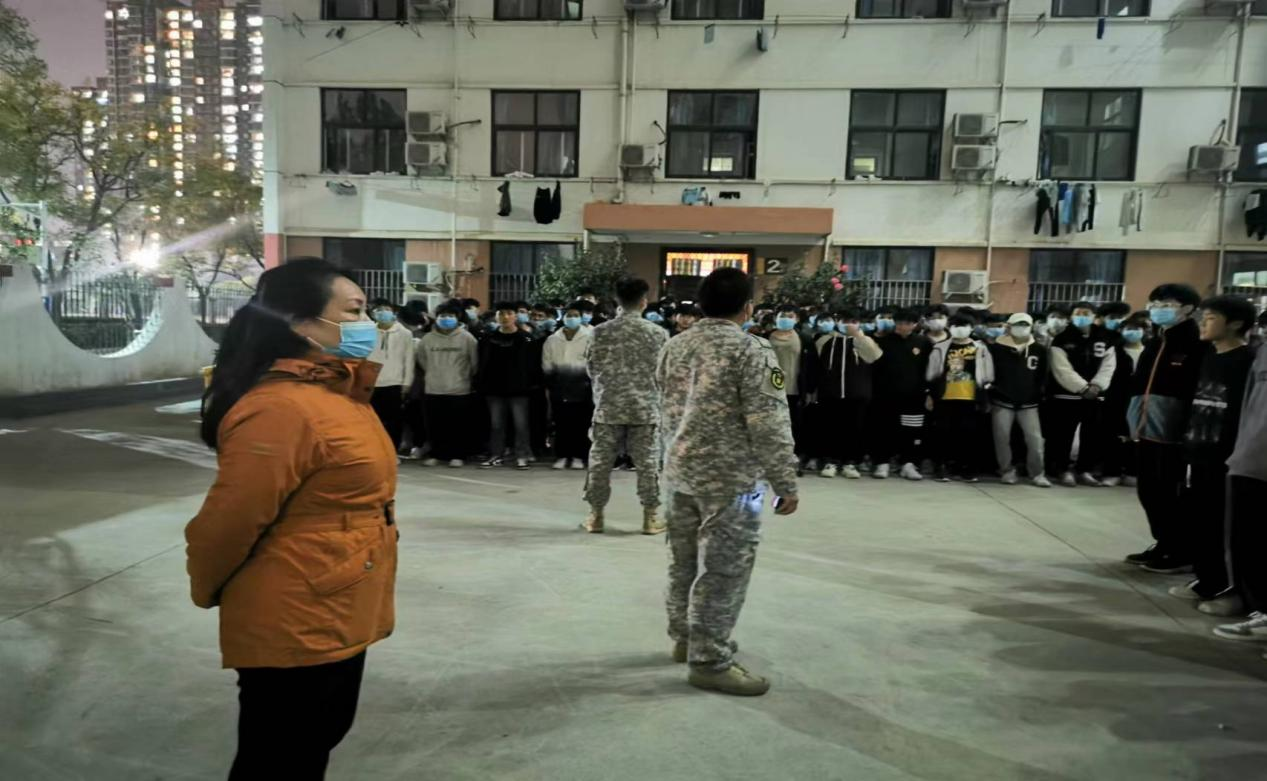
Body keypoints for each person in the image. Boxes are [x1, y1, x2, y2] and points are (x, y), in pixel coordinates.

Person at [187, 259, 397, 780]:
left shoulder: (335, 392)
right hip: (296, 614)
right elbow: (228, 522)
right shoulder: (280, 409)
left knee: (311, 744)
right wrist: (209, 586)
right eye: (354, 312)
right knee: (280, 759)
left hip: (336, 599)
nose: (367, 323)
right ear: (302, 324)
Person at [656, 268, 799, 696]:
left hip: (679, 473)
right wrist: (785, 481)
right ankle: (709, 660)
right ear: (748, 308)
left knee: (683, 562)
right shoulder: (754, 349)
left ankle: (686, 638)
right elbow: (769, 422)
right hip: (734, 482)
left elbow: (664, 407)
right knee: (725, 570)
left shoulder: (675, 345)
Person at [1167, 296, 1255, 608]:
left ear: (1236, 323)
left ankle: (1231, 590)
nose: (1203, 323)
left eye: (1212, 317)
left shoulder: (1248, 361)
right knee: (1201, 520)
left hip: (1228, 457)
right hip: (1199, 450)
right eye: (1203, 317)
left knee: (1225, 525)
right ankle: (1209, 579)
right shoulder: (1209, 356)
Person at [1125, 283, 1209, 573]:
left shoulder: (1197, 344)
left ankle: (1180, 550)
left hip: (1174, 433)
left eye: (1167, 304)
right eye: (1156, 304)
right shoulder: (1155, 342)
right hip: (1146, 428)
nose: (1159, 310)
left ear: (1188, 309)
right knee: (1149, 490)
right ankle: (1164, 542)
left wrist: (1190, 429)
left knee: (1169, 491)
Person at [584, 277, 670, 534]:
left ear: (617, 301)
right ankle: (650, 517)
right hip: (645, 409)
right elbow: (666, 373)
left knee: (600, 463)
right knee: (648, 464)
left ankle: (596, 516)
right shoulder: (657, 333)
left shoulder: (599, 332)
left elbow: (591, 368)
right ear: (644, 301)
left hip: (608, 407)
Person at [1212, 334, 1267, 644]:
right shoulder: (1263, 352)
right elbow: (1249, 405)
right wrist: (1241, 451)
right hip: (1252, 460)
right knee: (1250, 543)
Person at [1044, 300, 1117, 487]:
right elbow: (1061, 368)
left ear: (1094, 316)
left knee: (1091, 434)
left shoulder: (1105, 337)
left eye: (1086, 313)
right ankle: (1062, 469)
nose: (1082, 317)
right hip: (1066, 395)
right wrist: (1083, 388)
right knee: (1063, 435)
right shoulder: (1062, 338)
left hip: (1095, 394)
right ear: (1071, 316)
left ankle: (1085, 470)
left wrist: (1097, 385)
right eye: (1078, 313)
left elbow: (1108, 365)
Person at [813, 307, 883, 479]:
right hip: (830, 393)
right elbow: (817, 365)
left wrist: (858, 336)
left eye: (853, 321)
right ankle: (831, 461)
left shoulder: (866, 340)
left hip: (857, 394)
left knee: (855, 429)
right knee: (831, 428)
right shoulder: (825, 340)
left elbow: (874, 356)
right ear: (837, 322)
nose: (849, 325)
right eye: (845, 321)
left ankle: (851, 462)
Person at [927, 312, 995, 482]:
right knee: (943, 433)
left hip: (970, 397)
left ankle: (966, 467)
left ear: (971, 328)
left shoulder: (981, 348)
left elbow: (988, 374)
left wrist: (985, 395)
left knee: (968, 434)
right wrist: (930, 394)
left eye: (964, 326)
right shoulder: (940, 347)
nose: (960, 329)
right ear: (950, 328)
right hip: (945, 396)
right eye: (956, 326)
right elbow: (932, 373)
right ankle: (941, 466)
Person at [988, 313, 1052, 487]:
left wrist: (1038, 394)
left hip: (1029, 403)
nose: (1021, 328)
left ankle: (1037, 473)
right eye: (1018, 324)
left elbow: (1042, 376)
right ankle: (1007, 470)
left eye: (1025, 325)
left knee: (1035, 440)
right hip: (1002, 401)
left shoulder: (1039, 349)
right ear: (1009, 326)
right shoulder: (996, 349)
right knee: (1002, 438)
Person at [416, 301, 479, 468]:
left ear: (457, 318)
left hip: (459, 389)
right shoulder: (427, 339)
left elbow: (474, 363)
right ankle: (437, 454)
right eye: (442, 316)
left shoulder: (467, 338)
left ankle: (457, 455)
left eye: (450, 316)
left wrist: (464, 377)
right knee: (435, 425)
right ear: (436, 318)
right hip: (433, 388)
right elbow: (422, 360)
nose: (446, 319)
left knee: (458, 425)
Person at [872, 308, 932, 481]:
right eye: (899, 323)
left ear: (915, 324)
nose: (902, 326)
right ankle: (882, 462)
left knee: (911, 431)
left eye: (907, 323)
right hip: (886, 395)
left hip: (914, 396)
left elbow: (927, 369)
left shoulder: (923, 342)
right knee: (884, 429)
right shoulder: (884, 341)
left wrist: (928, 392)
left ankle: (908, 464)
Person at [478, 302, 539, 469]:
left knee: (521, 425)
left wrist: (532, 385)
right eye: (501, 313)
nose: (505, 317)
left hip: (519, 390)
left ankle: (522, 456)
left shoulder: (526, 338)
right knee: (496, 425)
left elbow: (533, 365)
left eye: (509, 313)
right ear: (496, 316)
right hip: (494, 389)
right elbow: (482, 363)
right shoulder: (488, 338)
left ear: (515, 316)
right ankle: (496, 455)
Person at [543, 301, 595, 470]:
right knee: (561, 423)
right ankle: (562, 455)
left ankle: (579, 456)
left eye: (576, 315)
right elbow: (547, 364)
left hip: (583, 388)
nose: (572, 318)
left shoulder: (590, 337)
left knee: (581, 424)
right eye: (569, 315)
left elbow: (595, 362)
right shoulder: (552, 339)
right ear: (563, 317)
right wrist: (552, 382)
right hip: (560, 387)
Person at [767, 304, 818, 466]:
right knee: (770, 424)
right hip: (768, 389)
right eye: (782, 315)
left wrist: (810, 389)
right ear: (775, 318)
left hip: (794, 389)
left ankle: (792, 454)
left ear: (796, 319)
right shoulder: (765, 337)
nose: (786, 319)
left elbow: (812, 365)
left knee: (793, 424)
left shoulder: (805, 339)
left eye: (790, 316)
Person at [365, 299, 416, 454]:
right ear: (372, 314)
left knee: (394, 420)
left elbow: (409, 360)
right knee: (373, 420)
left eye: (386, 309)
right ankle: (375, 450)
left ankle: (392, 450)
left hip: (395, 382)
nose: (383, 312)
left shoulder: (405, 333)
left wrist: (406, 382)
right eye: (378, 310)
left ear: (394, 312)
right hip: (373, 382)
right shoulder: (367, 332)